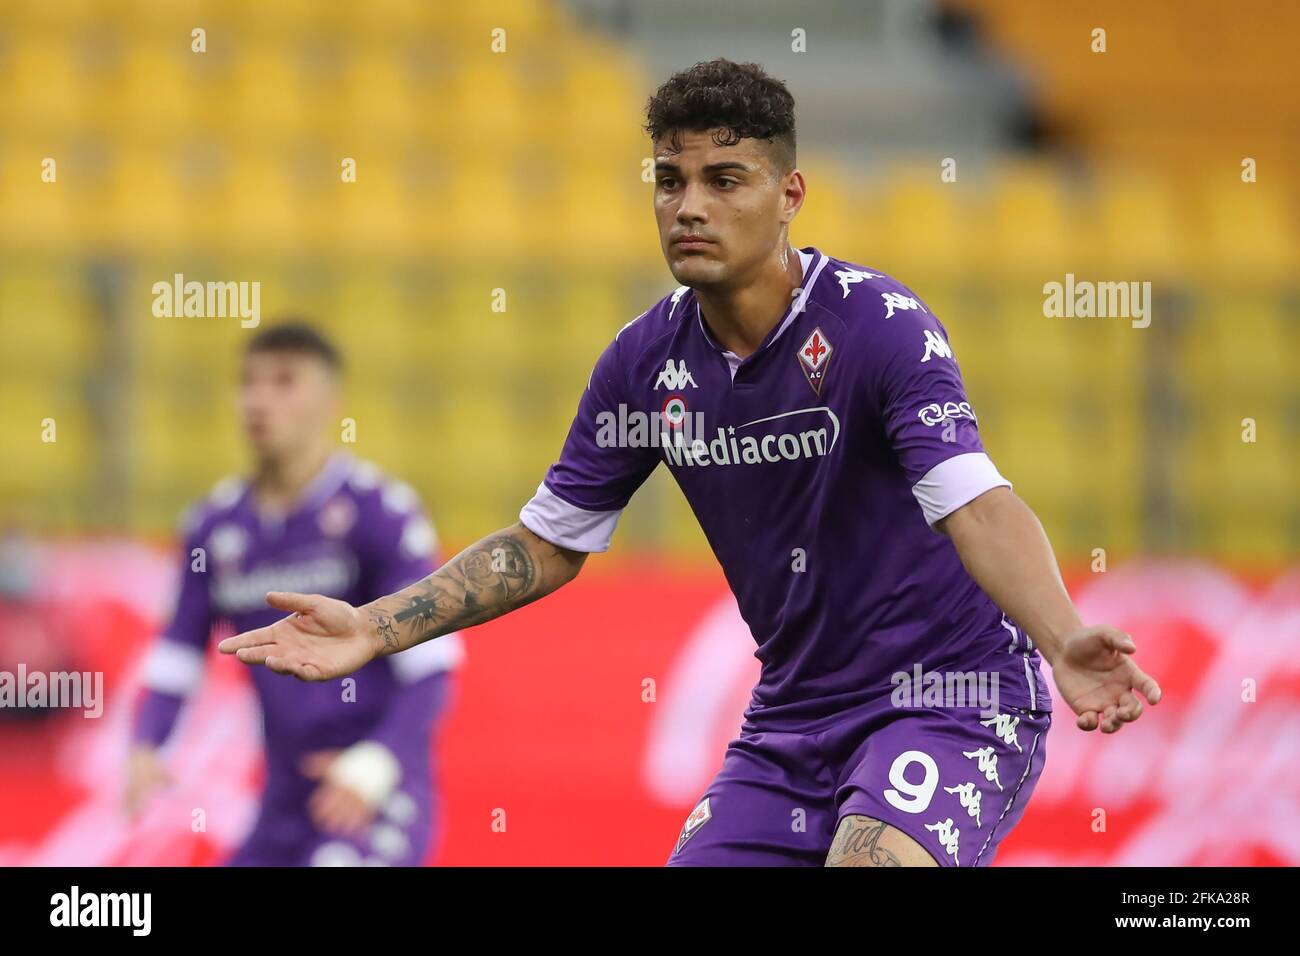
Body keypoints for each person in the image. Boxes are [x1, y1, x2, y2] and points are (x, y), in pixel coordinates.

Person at [217, 61, 1161, 867]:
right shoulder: (643, 363)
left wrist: (1061, 634)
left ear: (790, 196)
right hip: (794, 719)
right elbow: (546, 546)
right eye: (670, 181)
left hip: (948, 699)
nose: (690, 206)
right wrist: (375, 629)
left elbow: (976, 504)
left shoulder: (879, 328)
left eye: (725, 179)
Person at [126, 321, 462, 866]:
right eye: (249, 382)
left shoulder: (378, 513)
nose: (259, 400)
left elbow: (432, 666)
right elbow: (176, 651)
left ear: (331, 401)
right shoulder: (215, 527)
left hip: (374, 794)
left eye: (284, 382)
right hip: (282, 804)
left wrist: (377, 763)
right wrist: (147, 744)